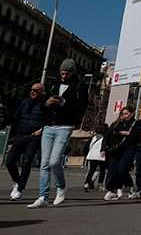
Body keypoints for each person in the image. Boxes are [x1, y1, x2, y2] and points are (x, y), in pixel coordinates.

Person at [28, 58, 89, 208]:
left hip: (65, 126)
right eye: (62, 73)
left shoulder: (80, 86)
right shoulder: (54, 84)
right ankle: (43, 196)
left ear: (72, 72)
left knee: (54, 161)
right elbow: (42, 106)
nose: (63, 75)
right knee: (44, 163)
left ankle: (61, 186)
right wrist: (47, 103)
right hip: (49, 126)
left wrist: (64, 103)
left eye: (66, 73)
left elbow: (81, 107)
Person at [6, 83, 47, 201]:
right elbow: (15, 116)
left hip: (34, 136)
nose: (32, 92)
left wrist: (41, 130)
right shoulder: (25, 102)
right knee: (10, 162)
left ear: (42, 92)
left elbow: (48, 120)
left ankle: (19, 189)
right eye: (31, 90)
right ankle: (17, 182)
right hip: (20, 134)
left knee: (26, 163)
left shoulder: (45, 105)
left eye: (36, 90)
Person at [103, 105, 140, 201]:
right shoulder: (117, 123)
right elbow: (108, 135)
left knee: (122, 169)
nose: (124, 116)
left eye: (126, 114)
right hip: (116, 149)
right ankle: (111, 190)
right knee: (112, 170)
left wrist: (128, 134)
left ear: (132, 114)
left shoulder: (136, 124)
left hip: (128, 149)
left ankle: (131, 187)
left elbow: (138, 136)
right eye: (122, 114)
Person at [83, 123, 108, 192]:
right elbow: (105, 146)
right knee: (102, 171)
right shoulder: (105, 138)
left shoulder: (94, 137)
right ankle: (100, 184)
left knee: (91, 170)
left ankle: (86, 183)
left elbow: (89, 146)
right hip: (101, 156)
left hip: (92, 155)